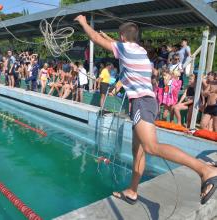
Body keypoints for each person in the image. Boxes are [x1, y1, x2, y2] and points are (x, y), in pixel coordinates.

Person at [75, 15, 217, 205]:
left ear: (123, 37)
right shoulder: (138, 49)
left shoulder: (126, 48)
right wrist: (110, 39)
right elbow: (113, 43)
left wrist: (84, 22)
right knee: (138, 151)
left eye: (119, 37)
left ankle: (205, 170)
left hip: (142, 102)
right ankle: (133, 191)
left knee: (151, 147)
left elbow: (97, 40)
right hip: (145, 102)